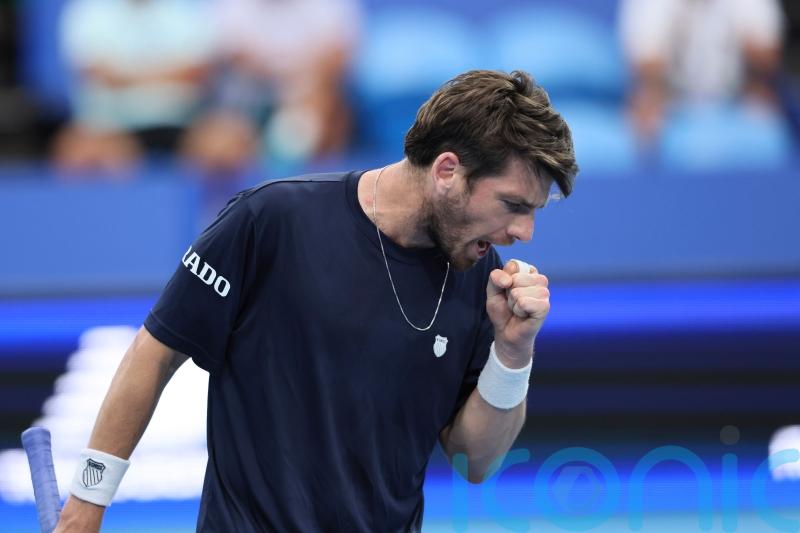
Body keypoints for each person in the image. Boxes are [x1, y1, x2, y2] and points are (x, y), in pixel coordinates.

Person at [53, 70, 578, 532]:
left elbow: (475, 461)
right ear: (446, 171)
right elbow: (154, 354)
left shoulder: (481, 276)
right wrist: (85, 506)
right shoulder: (271, 220)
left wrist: (513, 355)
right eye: (513, 205)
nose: (524, 232)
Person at [53, 0, 215, 175]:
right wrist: (164, 76)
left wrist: (130, 78)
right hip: (110, 124)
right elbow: (97, 72)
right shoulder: (89, 10)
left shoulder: (187, 8)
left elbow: (196, 70)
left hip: (184, 121)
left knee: (221, 146)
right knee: (85, 153)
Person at [619, 0, 786, 141]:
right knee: (647, 115)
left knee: (764, 115)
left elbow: (768, 57)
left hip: (736, 99)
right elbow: (647, 63)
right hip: (673, 103)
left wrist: (753, 46)